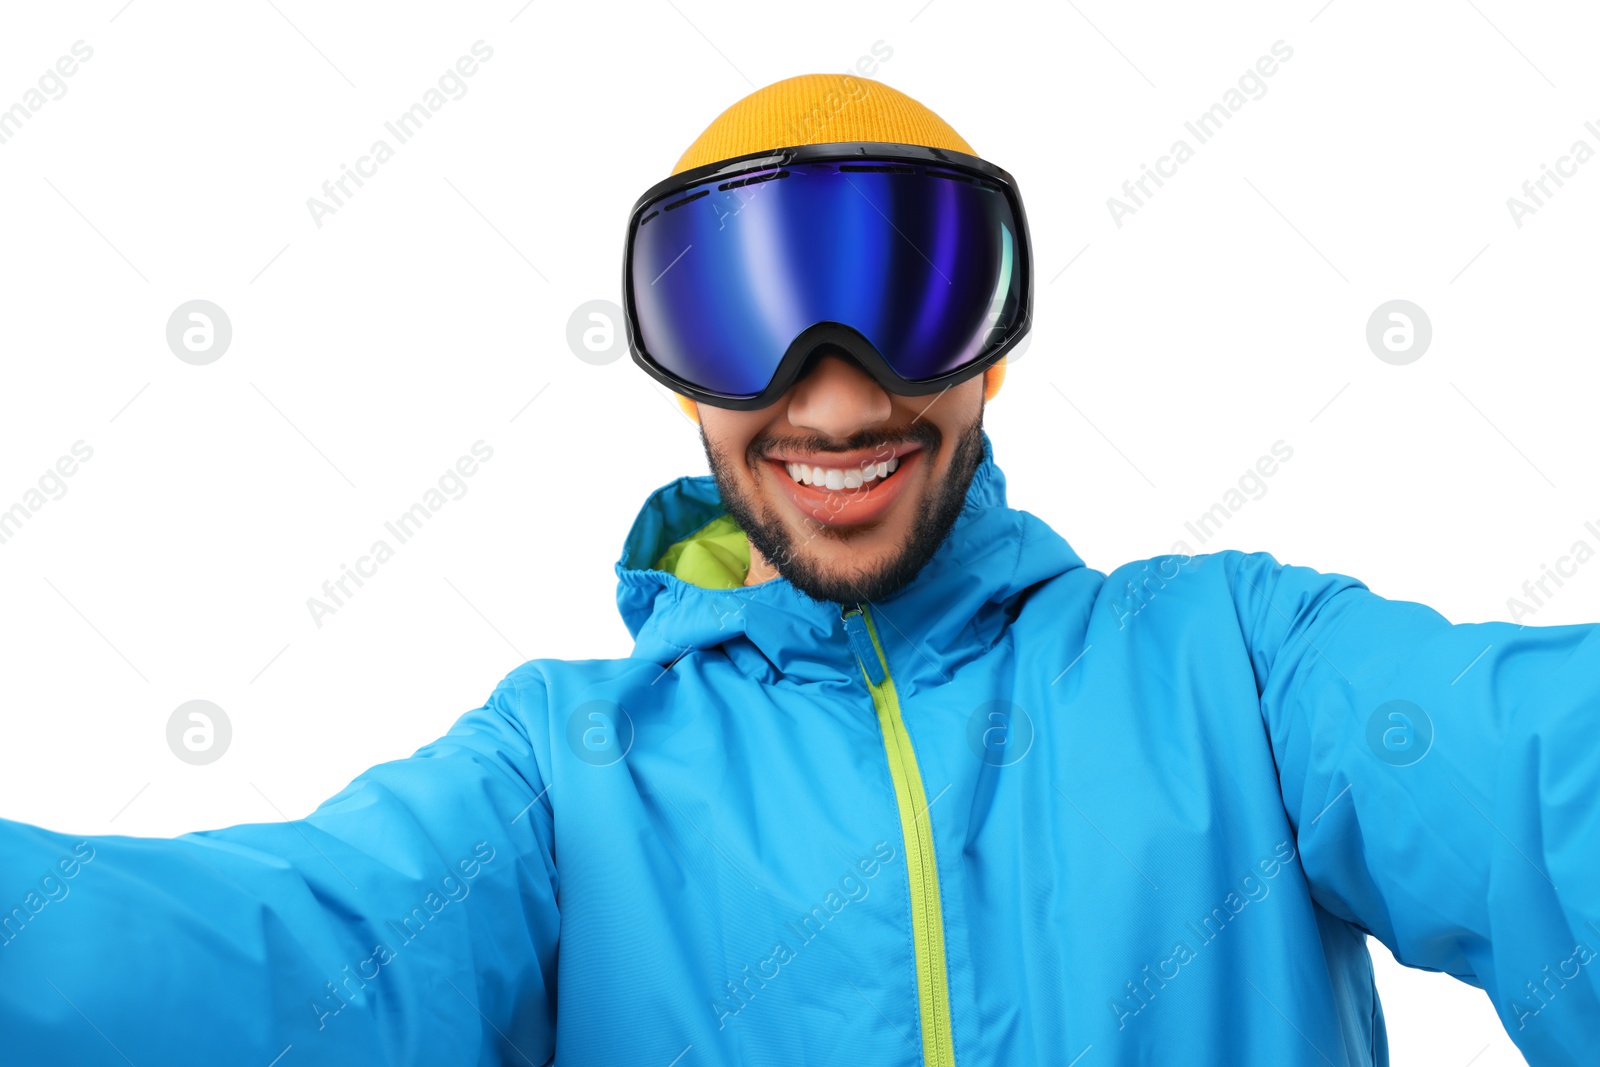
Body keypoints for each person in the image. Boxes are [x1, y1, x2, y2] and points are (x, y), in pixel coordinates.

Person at [2, 72, 1596, 1067]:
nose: (833, 394)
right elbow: (286, 964)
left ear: (998, 356)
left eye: (914, 298)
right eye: (743, 318)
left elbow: (1536, 780)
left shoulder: (1235, 665)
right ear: (681, 379)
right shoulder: (562, 781)